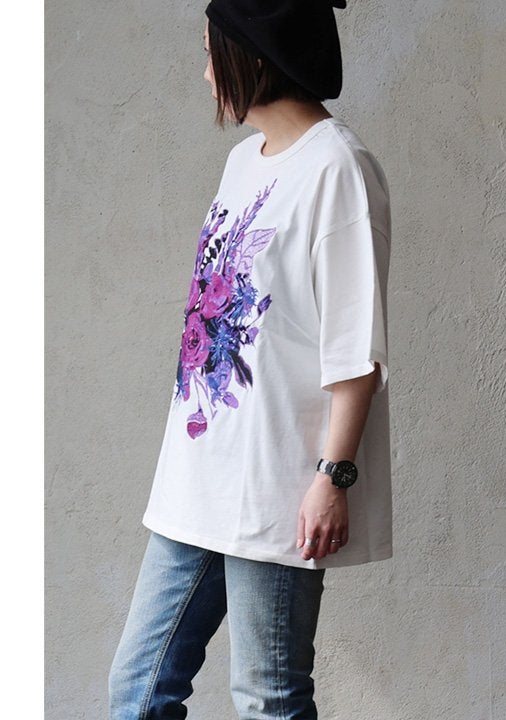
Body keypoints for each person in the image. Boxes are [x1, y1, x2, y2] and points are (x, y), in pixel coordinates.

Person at [108, 1, 392, 718]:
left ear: (252, 55)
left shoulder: (338, 168)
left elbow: (354, 347)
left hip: (278, 484)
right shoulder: (242, 163)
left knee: (268, 699)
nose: (206, 74)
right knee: (138, 692)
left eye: (212, 54)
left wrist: (333, 477)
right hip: (199, 479)